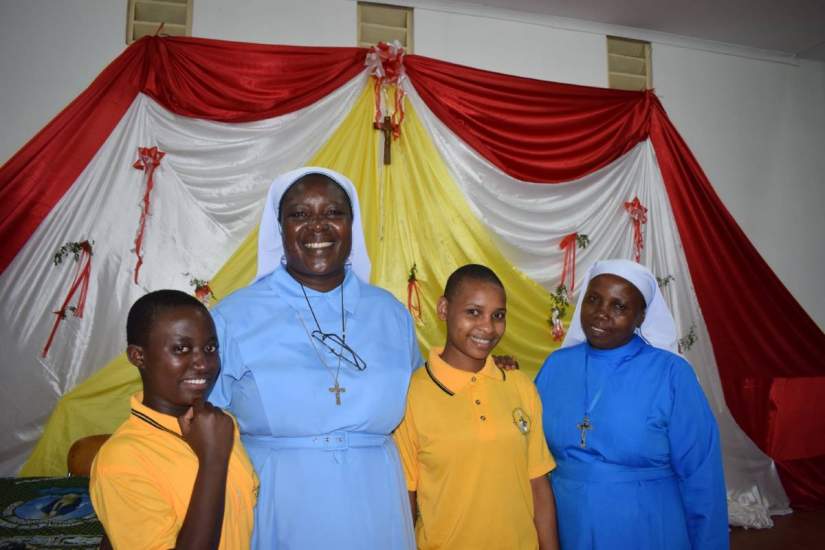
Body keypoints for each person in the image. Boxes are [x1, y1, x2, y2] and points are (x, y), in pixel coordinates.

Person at [208, 167, 420, 549]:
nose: (317, 226)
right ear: (279, 228)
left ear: (352, 224)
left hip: (378, 504)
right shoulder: (233, 316)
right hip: (280, 505)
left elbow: (427, 401)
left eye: (333, 213)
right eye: (300, 214)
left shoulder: (391, 314)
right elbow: (198, 421)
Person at [534, 259, 728, 550]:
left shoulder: (671, 374)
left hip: (647, 527)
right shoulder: (556, 366)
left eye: (619, 306)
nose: (601, 314)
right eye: (594, 300)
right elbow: (531, 459)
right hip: (568, 528)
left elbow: (702, 476)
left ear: (640, 316)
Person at [394, 264, 559, 550]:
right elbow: (405, 497)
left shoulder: (520, 386)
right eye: (473, 312)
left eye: (498, 316)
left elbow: (538, 484)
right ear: (444, 310)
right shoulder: (411, 395)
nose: (487, 327)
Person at [89, 290, 258, 550]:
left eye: (210, 348)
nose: (203, 363)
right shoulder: (123, 460)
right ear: (138, 356)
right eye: (181, 349)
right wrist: (213, 460)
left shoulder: (220, 425)